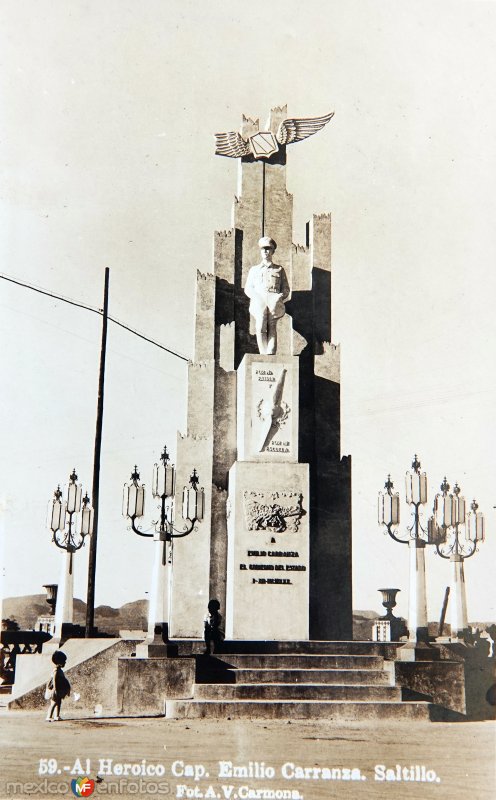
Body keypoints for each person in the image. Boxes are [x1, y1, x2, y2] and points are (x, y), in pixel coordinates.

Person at [244, 237, 290, 355]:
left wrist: (280, 296)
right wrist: (256, 297)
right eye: (263, 249)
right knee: (260, 325)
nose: (265, 251)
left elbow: (286, 289)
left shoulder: (279, 269)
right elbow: (248, 288)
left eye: (268, 249)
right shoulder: (254, 270)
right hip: (259, 299)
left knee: (272, 326)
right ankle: (263, 353)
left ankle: (271, 352)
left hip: (274, 299)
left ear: (273, 251)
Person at [45, 650, 70, 721]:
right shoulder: (56, 670)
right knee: (54, 703)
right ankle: (49, 716)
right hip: (55, 689)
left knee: (58, 702)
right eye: (64, 661)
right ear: (60, 662)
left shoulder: (59, 670)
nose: (65, 662)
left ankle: (57, 715)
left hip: (58, 689)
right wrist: (55, 689)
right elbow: (54, 680)